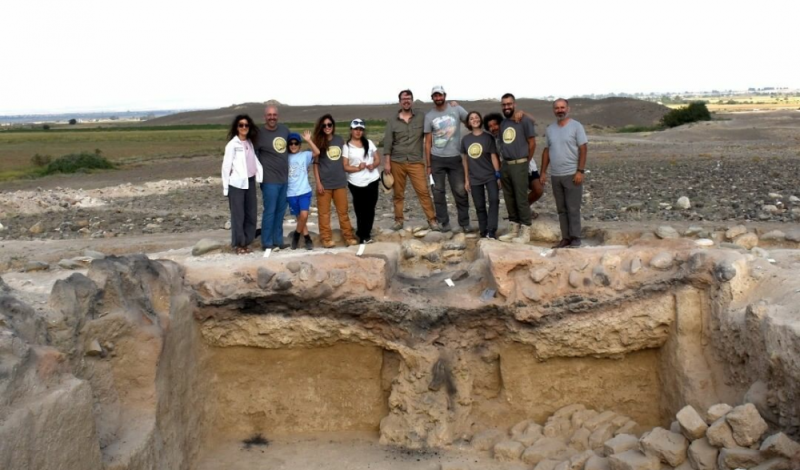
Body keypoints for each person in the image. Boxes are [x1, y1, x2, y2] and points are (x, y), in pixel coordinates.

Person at [383, 89, 439, 232]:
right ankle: (398, 220)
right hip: (397, 161)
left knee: (423, 191)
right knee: (398, 194)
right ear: (400, 102)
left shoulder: (421, 117)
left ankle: (432, 220)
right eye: (403, 99)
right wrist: (387, 162)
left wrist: (452, 105)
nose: (406, 101)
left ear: (412, 101)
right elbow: (388, 142)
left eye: (408, 98)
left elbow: (435, 116)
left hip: (416, 162)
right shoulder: (392, 120)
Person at [539, 98, 589, 248]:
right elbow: (547, 151)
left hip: (572, 174)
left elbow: (583, 149)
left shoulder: (576, 126)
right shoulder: (550, 129)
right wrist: (543, 172)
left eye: (562, 107)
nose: (560, 110)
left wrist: (580, 171)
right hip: (556, 175)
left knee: (573, 208)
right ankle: (565, 237)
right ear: (553, 110)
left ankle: (575, 237)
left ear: (568, 109)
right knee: (561, 209)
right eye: (557, 108)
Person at [424, 85, 472, 233]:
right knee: (438, 192)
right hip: (436, 158)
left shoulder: (456, 109)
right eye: (435, 96)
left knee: (460, 191)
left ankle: (464, 222)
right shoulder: (429, 116)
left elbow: (471, 121)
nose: (438, 98)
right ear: (432, 98)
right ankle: (444, 222)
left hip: (455, 158)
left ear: (445, 95)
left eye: (440, 95)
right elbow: (427, 142)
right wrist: (428, 165)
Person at [312, 114, 359, 248]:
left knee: (343, 211)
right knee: (324, 213)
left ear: (333, 126)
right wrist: (318, 182)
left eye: (329, 125)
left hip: (340, 182)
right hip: (324, 184)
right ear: (321, 127)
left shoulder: (339, 140)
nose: (327, 127)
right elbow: (315, 164)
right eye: (324, 125)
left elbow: (346, 159)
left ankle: (348, 237)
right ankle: (326, 239)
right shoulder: (318, 142)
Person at [496, 93, 537, 243]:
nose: (506, 107)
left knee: (521, 198)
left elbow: (532, 143)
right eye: (504, 105)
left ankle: (525, 232)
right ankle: (514, 229)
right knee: (509, 198)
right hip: (506, 165)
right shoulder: (503, 124)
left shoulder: (524, 120)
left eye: (509, 104)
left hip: (520, 163)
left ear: (514, 104)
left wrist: (526, 161)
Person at [485, 112, 543, 215]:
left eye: (495, 124)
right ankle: (523, 213)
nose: (493, 128)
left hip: (527, 165)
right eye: (490, 126)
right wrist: (499, 174)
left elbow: (532, 120)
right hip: (509, 168)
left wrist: (522, 113)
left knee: (538, 190)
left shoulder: (513, 129)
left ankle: (524, 208)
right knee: (517, 193)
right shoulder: (493, 141)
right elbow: (497, 158)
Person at [221, 114, 263, 254]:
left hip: (249, 181)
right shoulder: (232, 145)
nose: (244, 127)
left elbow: (254, 160)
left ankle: (247, 241)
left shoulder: (250, 143)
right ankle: (239, 244)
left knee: (251, 213)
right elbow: (226, 167)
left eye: (246, 125)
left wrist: (260, 175)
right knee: (238, 215)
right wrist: (226, 188)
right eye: (241, 125)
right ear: (237, 127)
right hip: (236, 184)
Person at [255, 105, 291, 250]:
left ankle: (278, 240)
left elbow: (292, 149)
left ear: (278, 116)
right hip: (269, 179)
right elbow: (253, 154)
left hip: (284, 179)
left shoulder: (284, 130)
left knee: (281, 211)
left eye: (274, 115)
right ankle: (267, 242)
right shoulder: (259, 133)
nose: (272, 117)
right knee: (270, 210)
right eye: (269, 115)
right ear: (265, 117)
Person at [460, 111, 501, 239]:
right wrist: (466, 179)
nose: (474, 120)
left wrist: (498, 175)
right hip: (474, 177)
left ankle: (492, 230)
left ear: (480, 120)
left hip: (490, 175)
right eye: (471, 118)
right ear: (468, 122)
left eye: (476, 117)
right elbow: (465, 160)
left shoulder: (488, 137)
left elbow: (493, 156)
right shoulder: (465, 139)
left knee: (494, 200)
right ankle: (483, 231)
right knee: (479, 205)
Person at [343, 118, 382, 244]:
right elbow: (345, 166)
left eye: (360, 129)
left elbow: (377, 159)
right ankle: (361, 233)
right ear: (351, 130)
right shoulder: (347, 146)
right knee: (360, 209)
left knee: (370, 208)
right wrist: (357, 168)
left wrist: (373, 165)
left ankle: (366, 234)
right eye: (356, 129)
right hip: (356, 182)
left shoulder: (369, 143)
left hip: (372, 179)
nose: (358, 132)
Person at [286, 131, 319, 250]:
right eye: (291, 143)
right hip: (291, 192)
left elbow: (317, 152)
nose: (293, 145)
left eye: (296, 143)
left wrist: (309, 140)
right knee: (299, 217)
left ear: (299, 145)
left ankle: (296, 235)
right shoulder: (285, 157)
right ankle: (307, 237)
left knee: (304, 215)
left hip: (304, 190)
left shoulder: (305, 155)